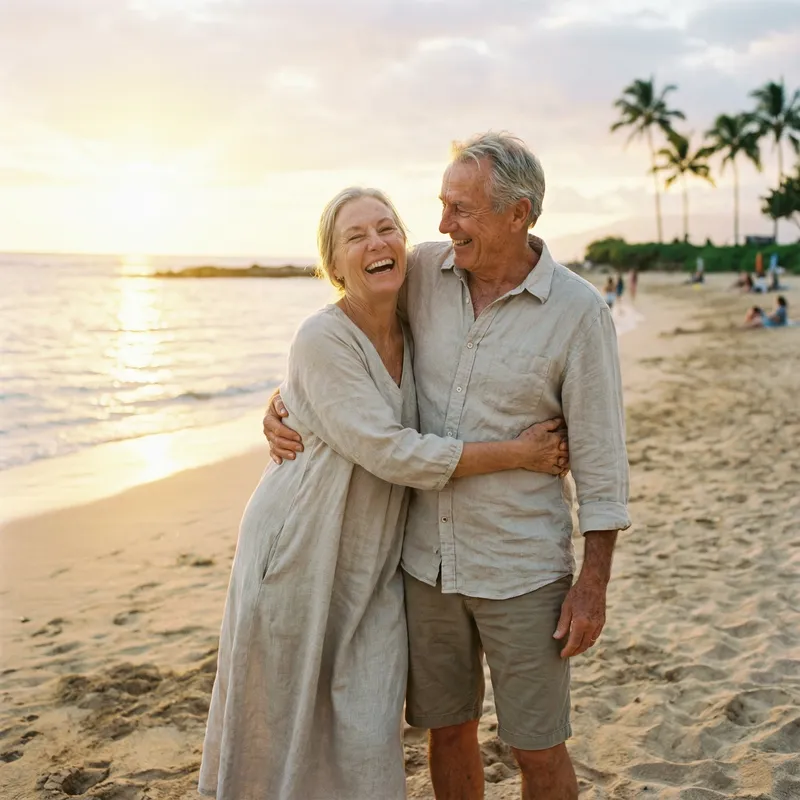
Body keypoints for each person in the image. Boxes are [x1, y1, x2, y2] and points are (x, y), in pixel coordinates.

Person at [265, 132, 630, 800]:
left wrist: (593, 584)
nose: (441, 224)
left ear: (517, 213)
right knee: (448, 730)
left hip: (521, 568)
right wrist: (286, 399)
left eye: (460, 208)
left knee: (538, 746)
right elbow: (345, 331)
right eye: (440, 205)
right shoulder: (423, 274)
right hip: (424, 565)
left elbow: (603, 462)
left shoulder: (578, 314)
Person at [198, 186, 570, 800]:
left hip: (375, 563)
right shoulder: (320, 337)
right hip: (299, 548)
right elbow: (391, 450)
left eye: (386, 227)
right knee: (286, 723)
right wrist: (518, 454)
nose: (376, 243)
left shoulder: (417, 317)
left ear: (406, 243)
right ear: (333, 265)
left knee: (367, 724)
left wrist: (287, 394)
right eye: (355, 236)